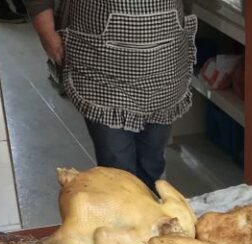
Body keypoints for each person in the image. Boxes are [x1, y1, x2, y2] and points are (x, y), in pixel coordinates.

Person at [26, 0, 195, 190]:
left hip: (164, 59)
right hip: (101, 61)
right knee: (118, 169)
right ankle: (125, 213)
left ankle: (151, 215)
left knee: (152, 161)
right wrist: (47, 33)